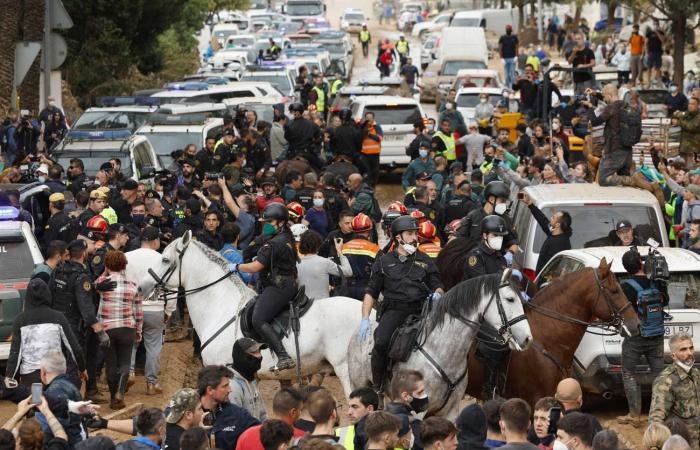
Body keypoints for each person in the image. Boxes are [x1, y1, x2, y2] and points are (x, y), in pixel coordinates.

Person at [358, 216, 443, 393]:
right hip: (395, 311)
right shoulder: (384, 261)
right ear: (398, 237)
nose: (414, 238)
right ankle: (378, 387)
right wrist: (365, 318)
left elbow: (438, 285)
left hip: (422, 310)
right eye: (410, 233)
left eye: (416, 234)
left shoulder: (425, 260)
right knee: (381, 343)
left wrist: (437, 294)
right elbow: (371, 292)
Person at [230, 203, 298, 370]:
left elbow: (255, 267)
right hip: (285, 282)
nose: (265, 225)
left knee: (258, 318)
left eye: (269, 222)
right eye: (264, 222)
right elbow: (256, 245)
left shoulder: (275, 243)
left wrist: (236, 267)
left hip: (279, 286)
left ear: (280, 222)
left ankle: (283, 356)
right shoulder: (285, 235)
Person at [49, 239, 105, 402]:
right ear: (84, 254)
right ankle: (71, 403)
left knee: (59, 365)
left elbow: (50, 296)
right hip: (75, 329)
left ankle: (59, 398)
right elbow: (86, 310)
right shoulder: (81, 277)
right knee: (75, 366)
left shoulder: (58, 271)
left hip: (56, 324)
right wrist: (99, 330)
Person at [616, 248, 667, 426]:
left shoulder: (625, 286)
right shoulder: (656, 281)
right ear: (640, 262)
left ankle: (634, 415)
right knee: (659, 375)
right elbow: (665, 301)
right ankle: (660, 414)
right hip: (657, 334)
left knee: (629, 373)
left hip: (635, 338)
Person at [6, 279, 85, 387]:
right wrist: (82, 368)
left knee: (36, 403)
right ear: (47, 295)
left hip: (32, 379)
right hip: (54, 375)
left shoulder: (20, 320)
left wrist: (10, 377)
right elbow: (74, 347)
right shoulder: (58, 317)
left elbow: (15, 353)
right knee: (54, 402)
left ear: (28, 297)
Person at [95, 250, 142, 410]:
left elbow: (94, 285)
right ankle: (120, 394)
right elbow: (138, 312)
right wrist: (139, 330)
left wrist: (105, 271)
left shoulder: (103, 284)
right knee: (125, 362)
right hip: (127, 327)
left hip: (107, 328)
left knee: (111, 364)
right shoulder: (133, 285)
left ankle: (113, 398)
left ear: (107, 265)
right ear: (124, 265)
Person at [649, 333, 700, 449]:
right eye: (683, 349)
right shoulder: (666, 381)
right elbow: (656, 419)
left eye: (691, 348)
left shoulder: (696, 374)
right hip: (681, 444)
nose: (690, 353)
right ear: (673, 355)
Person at [198, 365, 260, 450]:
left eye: (229, 385)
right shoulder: (189, 412)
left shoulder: (238, 415)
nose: (230, 390)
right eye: (225, 386)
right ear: (210, 390)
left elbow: (263, 433)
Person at [456, 181, 517, 253]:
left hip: (496, 261)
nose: (504, 204)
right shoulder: (473, 216)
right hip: (474, 260)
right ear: (491, 199)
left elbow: (513, 243)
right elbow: (457, 238)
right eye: (502, 201)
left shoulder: (505, 219)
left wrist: (509, 255)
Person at [236, 388, 305, 450]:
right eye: (300, 410)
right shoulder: (301, 439)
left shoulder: (246, 436)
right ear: (293, 412)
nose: (301, 414)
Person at [519, 193, 572, 273]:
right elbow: (542, 220)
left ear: (557, 225)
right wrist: (529, 203)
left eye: (553, 218)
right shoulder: (553, 233)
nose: (551, 218)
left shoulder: (559, 243)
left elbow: (552, 268)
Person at [296, 229, 352, 300]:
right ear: (318, 244)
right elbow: (348, 272)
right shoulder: (325, 262)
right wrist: (339, 251)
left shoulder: (296, 264)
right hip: (322, 305)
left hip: (303, 307)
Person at [385, 370, 428, 448]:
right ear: (405, 396)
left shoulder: (382, 416)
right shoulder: (412, 425)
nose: (424, 396)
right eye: (420, 392)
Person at [229, 338, 267, 421]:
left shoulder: (252, 380)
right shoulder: (232, 386)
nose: (259, 356)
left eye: (259, 351)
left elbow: (262, 414)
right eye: (254, 352)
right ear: (241, 356)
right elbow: (236, 423)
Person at [673, 97, 700, 168]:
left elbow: (692, 127)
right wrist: (677, 114)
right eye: (689, 104)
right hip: (683, 148)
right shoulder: (688, 114)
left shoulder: (698, 116)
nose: (690, 105)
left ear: (698, 106)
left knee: (691, 171)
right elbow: (677, 115)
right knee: (682, 171)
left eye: (693, 104)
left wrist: (679, 122)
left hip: (694, 149)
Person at [361, 112, 383, 187]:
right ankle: (367, 187)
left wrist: (369, 134)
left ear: (373, 119)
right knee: (367, 172)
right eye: (367, 118)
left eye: (370, 118)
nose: (369, 120)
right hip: (364, 154)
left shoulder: (377, 127)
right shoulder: (362, 127)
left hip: (375, 154)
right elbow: (359, 138)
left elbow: (379, 138)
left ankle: (373, 187)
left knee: (375, 172)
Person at [645, 20, 665, 86]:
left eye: (656, 24)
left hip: (658, 52)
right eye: (654, 24)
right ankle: (648, 81)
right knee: (649, 67)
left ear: (658, 25)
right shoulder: (649, 33)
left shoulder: (661, 32)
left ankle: (659, 81)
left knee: (658, 67)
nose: (655, 25)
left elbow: (662, 40)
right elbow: (646, 43)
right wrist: (646, 52)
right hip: (651, 52)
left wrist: (657, 32)